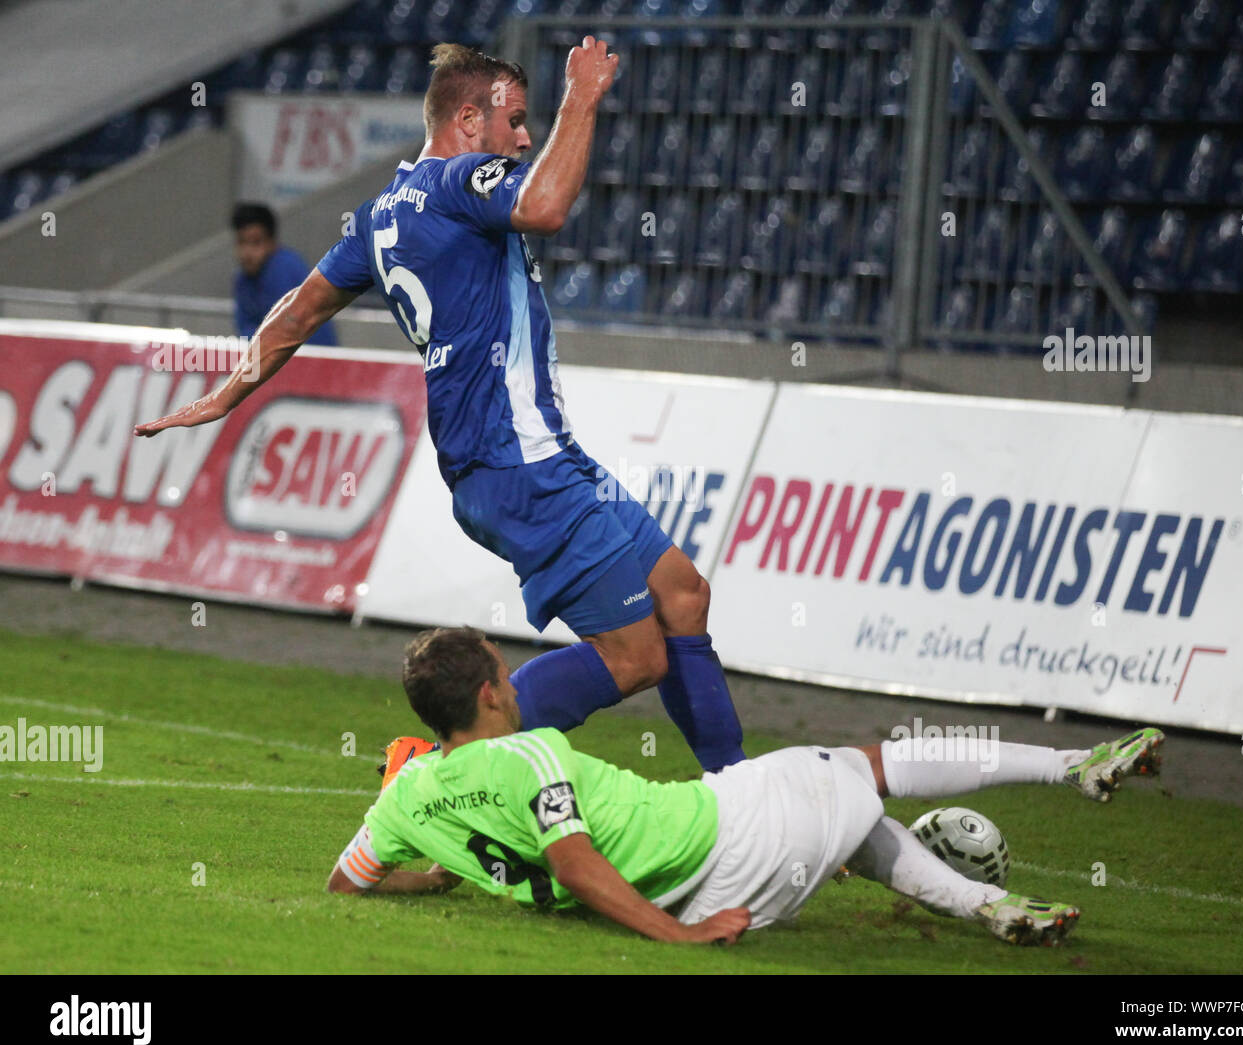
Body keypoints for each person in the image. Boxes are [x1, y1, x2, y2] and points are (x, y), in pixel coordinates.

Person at [134, 38, 746, 773]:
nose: (523, 137)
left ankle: (737, 792)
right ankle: (435, 763)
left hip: (525, 454)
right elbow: (548, 207)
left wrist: (221, 394)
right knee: (637, 656)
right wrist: (583, 95)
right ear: (466, 118)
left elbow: (296, 313)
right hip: (516, 460)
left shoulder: (377, 217)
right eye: (514, 119)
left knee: (682, 595)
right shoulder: (461, 181)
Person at [326, 626, 1167, 947]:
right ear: (489, 695)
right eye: (506, 677)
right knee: (869, 763)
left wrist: (435, 874)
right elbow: (575, 860)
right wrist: (675, 938)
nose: (513, 687)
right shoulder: (532, 751)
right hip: (721, 834)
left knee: (845, 809)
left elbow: (346, 881)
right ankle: (1075, 765)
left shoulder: (401, 799)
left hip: (710, 890)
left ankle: (989, 908)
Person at [230, 203, 337, 345]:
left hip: (313, 358)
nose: (247, 252)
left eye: (256, 242)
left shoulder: (286, 268)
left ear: (271, 243)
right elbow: (245, 329)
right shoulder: (242, 280)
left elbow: (285, 332)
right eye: (242, 242)